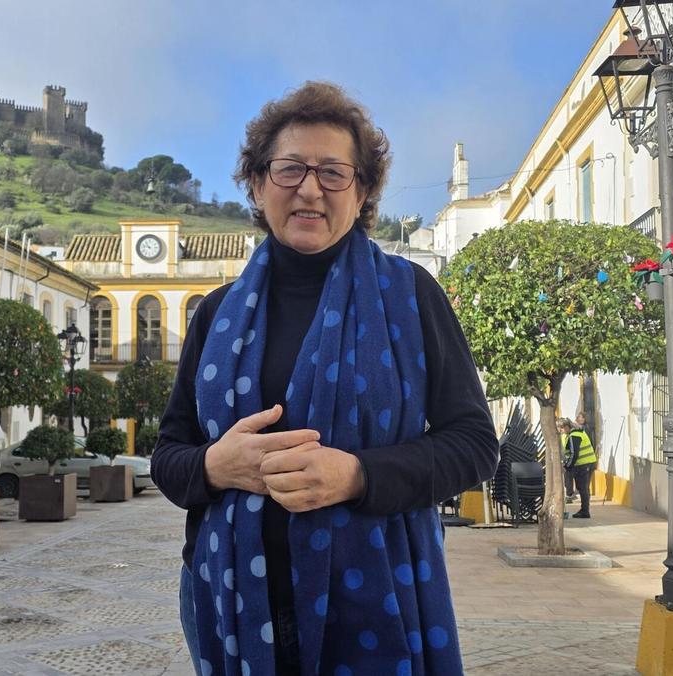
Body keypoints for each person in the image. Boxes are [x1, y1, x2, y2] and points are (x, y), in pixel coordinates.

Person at [151, 82, 499, 676]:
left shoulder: (412, 297)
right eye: (290, 170)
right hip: (229, 600)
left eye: (334, 173)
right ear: (258, 186)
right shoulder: (215, 312)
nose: (310, 189)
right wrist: (216, 465)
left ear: (361, 192)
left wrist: (358, 475)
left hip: (375, 601)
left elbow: (473, 445)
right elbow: (167, 456)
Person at [558, 418, 597, 519]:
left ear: (566, 427)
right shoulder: (579, 433)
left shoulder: (574, 436)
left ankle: (585, 511)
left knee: (583, 488)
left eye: (561, 429)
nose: (561, 431)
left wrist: (567, 466)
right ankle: (584, 510)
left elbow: (573, 454)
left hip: (584, 464)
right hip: (589, 463)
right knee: (583, 488)